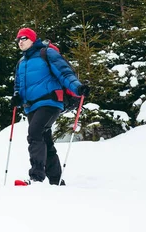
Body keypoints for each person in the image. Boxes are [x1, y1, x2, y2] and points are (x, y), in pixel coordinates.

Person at [13, 27, 89, 185]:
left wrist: (77, 87)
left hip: (50, 102)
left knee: (34, 133)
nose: (20, 42)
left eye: (24, 38)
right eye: (18, 39)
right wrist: (17, 98)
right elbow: (18, 86)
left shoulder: (46, 53)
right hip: (31, 107)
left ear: (33, 39)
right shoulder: (21, 62)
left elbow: (64, 73)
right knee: (45, 139)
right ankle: (56, 181)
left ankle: (36, 177)